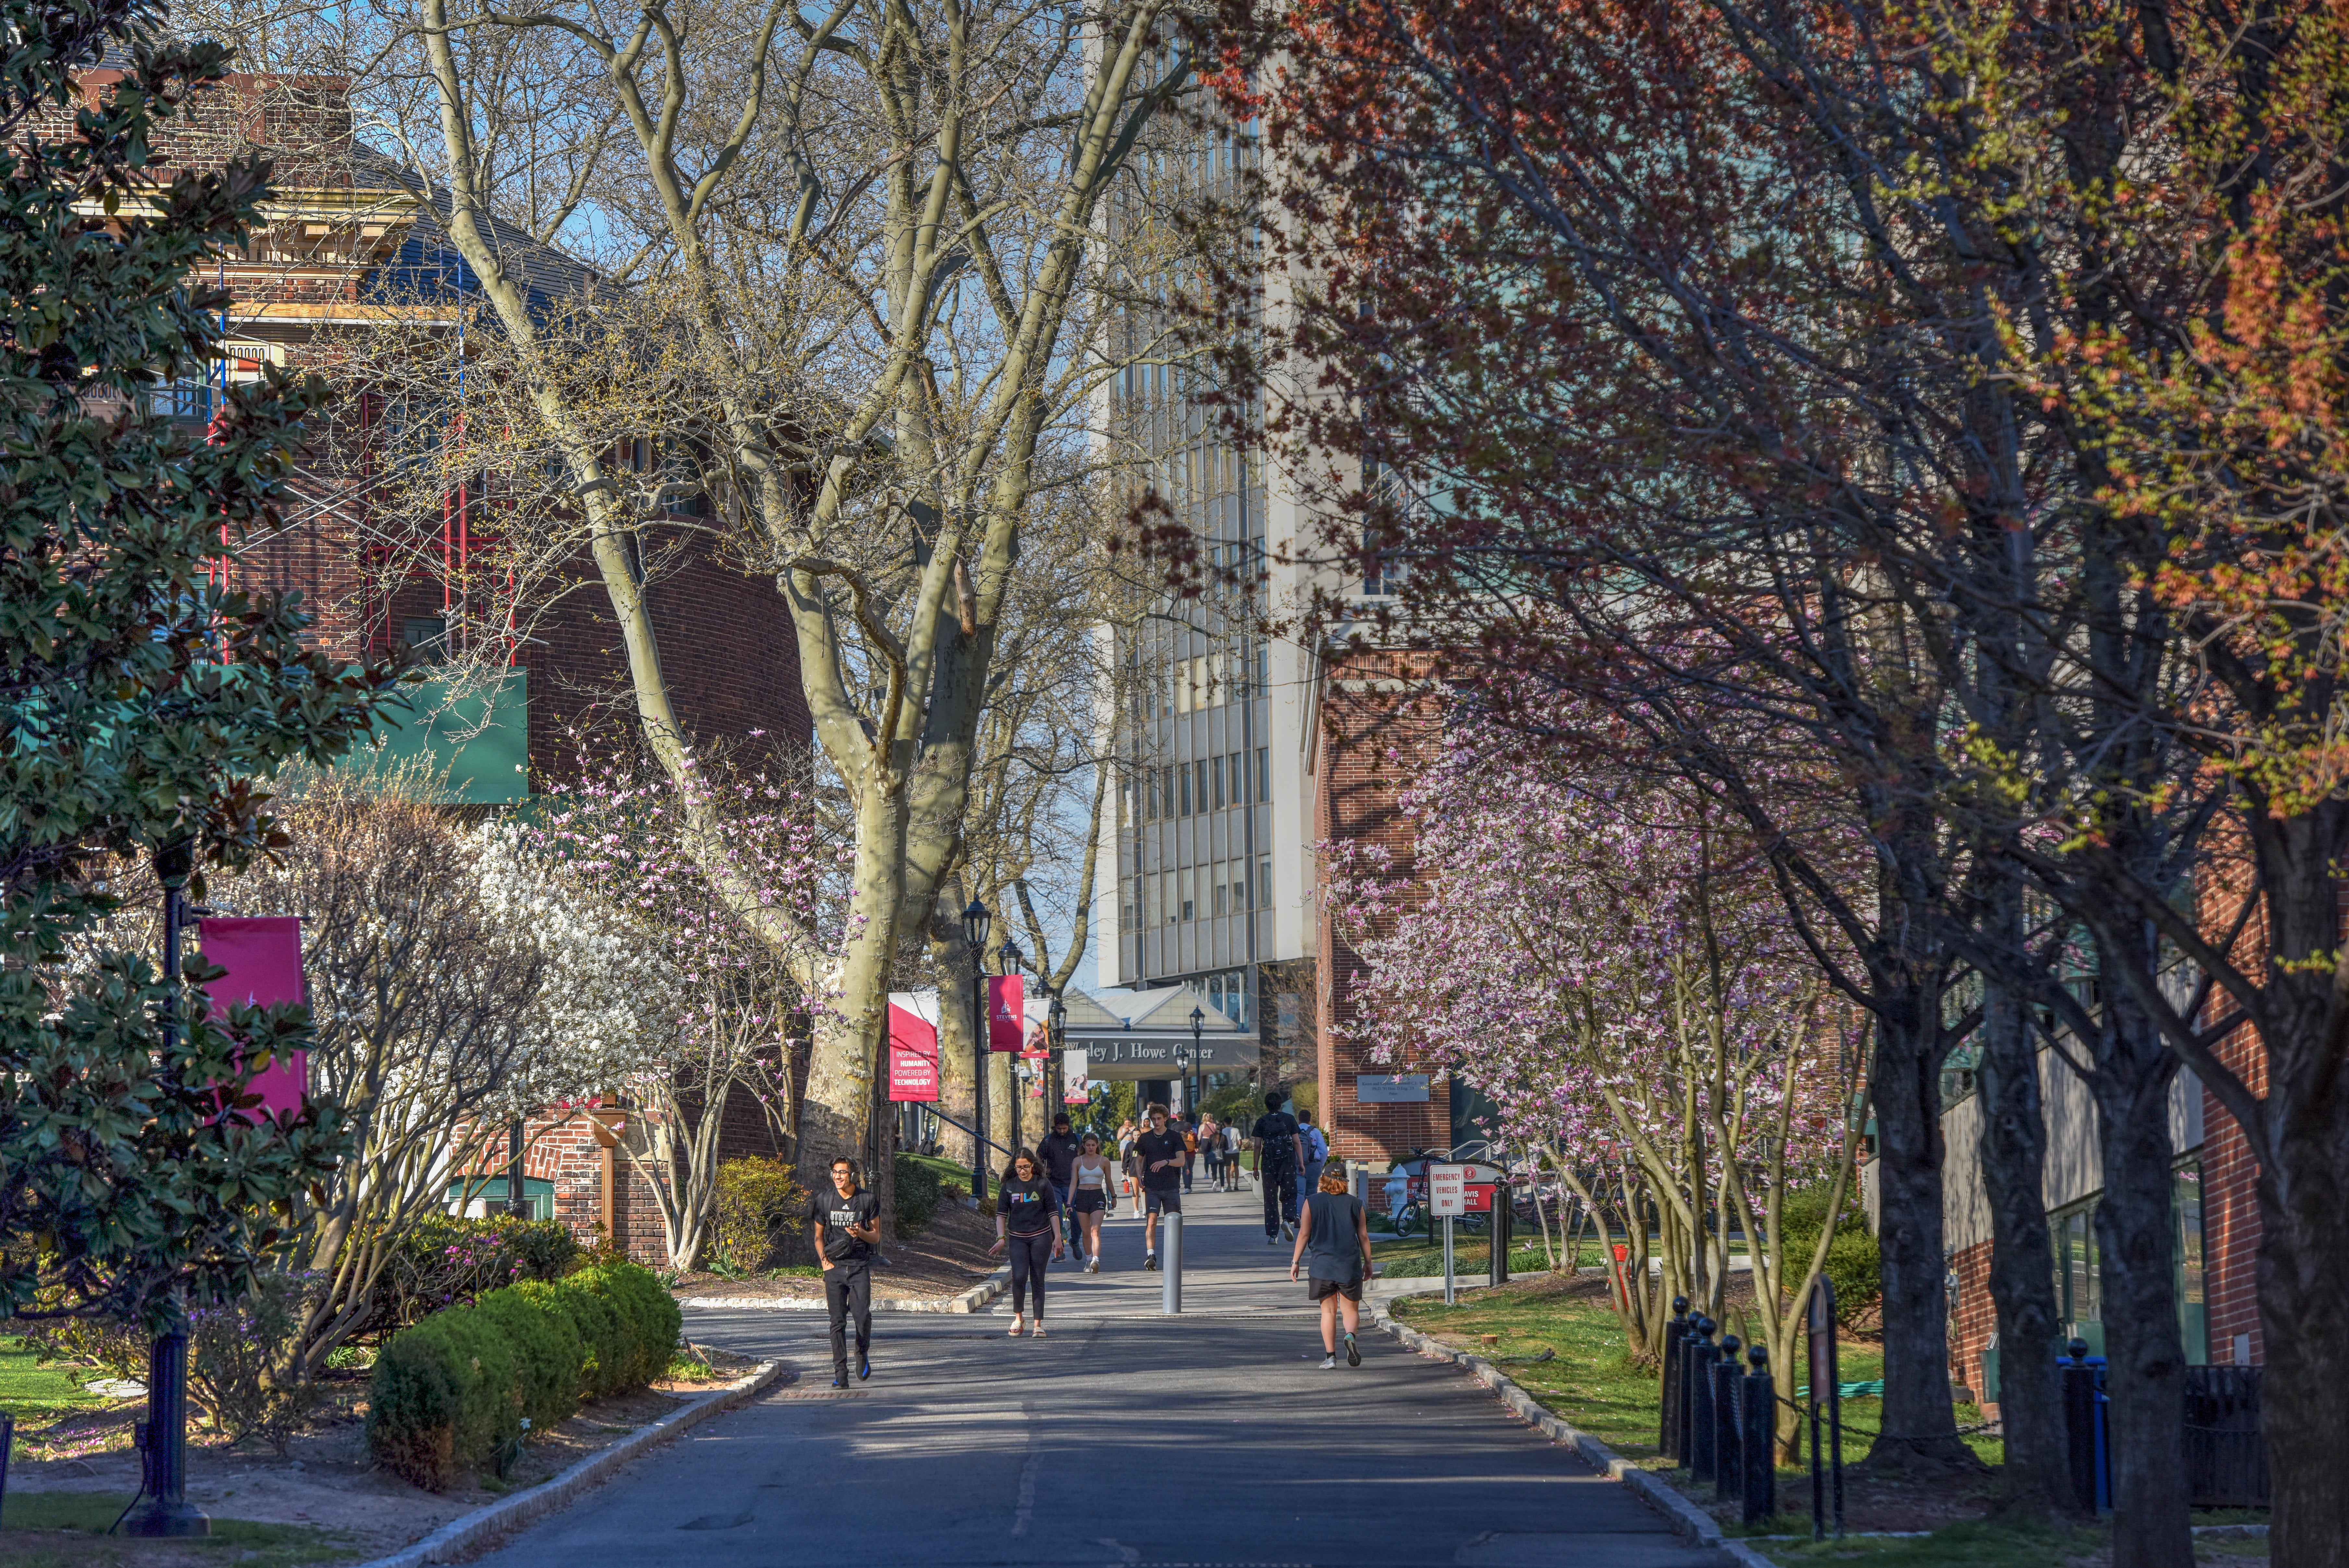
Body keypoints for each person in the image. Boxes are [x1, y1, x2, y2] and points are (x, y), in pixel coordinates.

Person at [1291, 1160, 1374, 1368]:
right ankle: (1350, 1336)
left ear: (1323, 1179)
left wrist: (1295, 1261)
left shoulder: (1312, 1202)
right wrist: (1369, 1263)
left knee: (1328, 1312)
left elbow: (1304, 1234)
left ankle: (1330, 1358)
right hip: (1349, 1265)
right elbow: (1363, 1236)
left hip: (1322, 1266)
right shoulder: (1356, 1204)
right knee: (1351, 1311)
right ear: (1345, 1180)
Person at [809, 1156, 882, 1386]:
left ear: (852, 1175)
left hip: (859, 1266)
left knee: (862, 1317)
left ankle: (862, 1354)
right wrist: (825, 1263)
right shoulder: (824, 1200)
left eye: (842, 1172)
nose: (838, 1176)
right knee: (837, 1321)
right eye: (834, 1172)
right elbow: (819, 1237)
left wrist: (860, 1232)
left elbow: (876, 1236)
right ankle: (841, 1374)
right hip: (835, 1267)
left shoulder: (867, 1200)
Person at [989, 1146, 1067, 1335]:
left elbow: (1054, 1213)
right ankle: (1019, 1319)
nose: (1023, 1171)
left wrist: (1058, 1237)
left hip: (1041, 1236)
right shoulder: (1009, 1186)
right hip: (1018, 1238)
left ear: (1033, 1165)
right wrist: (1001, 1239)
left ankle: (1038, 1325)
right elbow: (1001, 1215)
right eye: (1019, 1167)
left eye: (1026, 1167)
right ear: (1014, 1167)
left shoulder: (1042, 1184)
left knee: (1038, 1279)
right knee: (1019, 1277)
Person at [1134, 1103, 1188, 1269]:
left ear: (1166, 1119)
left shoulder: (1174, 1137)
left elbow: (1182, 1161)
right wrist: (1139, 1175)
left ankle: (1174, 1257)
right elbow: (1138, 1159)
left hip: (1171, 1186)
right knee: (1152, 1221)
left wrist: (1166, 1162)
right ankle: (1151, 1255)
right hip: (1152, 1187)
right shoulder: (1145, 1138)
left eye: (1159, 1119)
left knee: (1174, 1222)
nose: (1156, 1122)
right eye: (1153, 1119)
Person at [1251, 1089, 1304, 1243]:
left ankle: (1273, 1235)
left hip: (1269, 1164)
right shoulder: (1289, 1119)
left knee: (1270, 1198)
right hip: (1287, 1163)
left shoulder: (1262, 1121)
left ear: (1266, 1106)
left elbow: (1257, 1146)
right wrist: (1300, 1162)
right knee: (1289, 1193)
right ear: (1280, 1104)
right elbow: (1296, 1142)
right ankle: (1287, 1220)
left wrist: (1255, 1168)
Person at [1037, 1113, 1084, 1260]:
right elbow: (1038, 1157)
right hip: (1054, 1184)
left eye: (1064, 1128)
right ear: (1055, 1127)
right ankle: (1059, 1251)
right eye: (1059, 1129)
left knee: (1077, 1217)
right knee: (1055, 1216)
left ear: (1069, 1126)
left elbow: (1086, 1157)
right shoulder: (1048, 1140)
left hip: (1073, 1184)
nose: (1062, 1131)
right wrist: (1042, 1171)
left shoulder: (1077, 1140)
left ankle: (1075, 1241)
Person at [1068, 1131, 1115, 1272]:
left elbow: (1109, 1180)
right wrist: (1069, 1203)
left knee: (1095, 1230)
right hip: (1082, 1196)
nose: (1091, 1148)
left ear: (1097, 1146)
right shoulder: (1078, 1161)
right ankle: (1088, 1260)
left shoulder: (1104, 1161)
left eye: (1093, 1145)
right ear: (1083, 1145)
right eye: (1088, 1145)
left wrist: (1114, 1196)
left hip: (1097, 1196)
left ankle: (1096, 1260)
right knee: (1086, 1232)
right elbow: (1073, 1183)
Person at [1294, 1108, 1329, 1215]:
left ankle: (1298, 1216)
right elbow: (1323, 1150)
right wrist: (1321, 1164)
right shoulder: (1315, 1131)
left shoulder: (1294, 1130)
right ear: (1310, 1120)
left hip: (1298, 1165)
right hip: (1314, 1165)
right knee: (1312, 1193)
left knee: (1300, 1192)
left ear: (1299, 1120)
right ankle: (1310, 1218)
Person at [1200, 1115, 1223, 1190]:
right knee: (1214, 1157)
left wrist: (1198, 1146)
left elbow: (1199, 1136)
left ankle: (1207, 1173)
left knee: (1206, 1158)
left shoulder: (1202, 1126)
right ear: (1210, 1119)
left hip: (1205, 1142)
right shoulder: (1214, 1125)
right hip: (1213, 1141)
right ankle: (1213, 1173)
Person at [1180, 1112, 1199, 1193]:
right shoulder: (1194, 1134)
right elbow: (1198, 1144)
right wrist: (1196, 1148)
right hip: (1192, 1154)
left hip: (1183, 1155)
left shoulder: (1181, 1134)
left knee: (1185, 1170)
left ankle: (1186, 1187)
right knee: (1191, 1170)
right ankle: (1190, 1186)